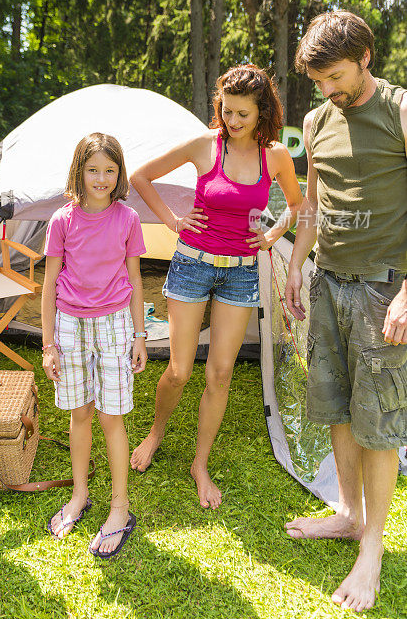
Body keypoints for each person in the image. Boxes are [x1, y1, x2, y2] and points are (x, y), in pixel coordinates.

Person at [130, 64, 303, 507]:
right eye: (227, 111)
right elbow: (140, 177)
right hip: (192, 264)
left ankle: (200, 463)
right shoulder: (204, 146)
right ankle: (156, 433)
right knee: (180, 370)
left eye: (243, 114)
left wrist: (272, 233)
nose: (233, 121)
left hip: (242, 271)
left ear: (263, 112)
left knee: (220, 373)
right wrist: (171, 220)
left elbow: (300, 205)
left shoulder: (276, 156)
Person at [284, 10, 407, 612]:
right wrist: (295, 263)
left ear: (365, 58)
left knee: (377, 421)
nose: (328, 90)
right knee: (335, 405)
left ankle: (373, 549)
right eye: (319, 81)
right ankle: (350, 515)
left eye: (335, 76)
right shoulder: (313, 122)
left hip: (385, 290)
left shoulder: (400, 111)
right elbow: (311, 202)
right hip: (327, 282)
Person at [41, 132, 147, 558]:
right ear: (78, 172)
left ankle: (119, 506)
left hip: (115, 325)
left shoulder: (128, 219)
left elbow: (136, 280)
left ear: (119, 174)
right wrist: (48, 343)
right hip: (68, 326)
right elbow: (49, 284)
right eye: (93, 170)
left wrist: (140, 336)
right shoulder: (61, 221)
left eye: (109, 170)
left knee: (110, 417)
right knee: (80, 414)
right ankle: (80, 495)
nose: (101, 179)